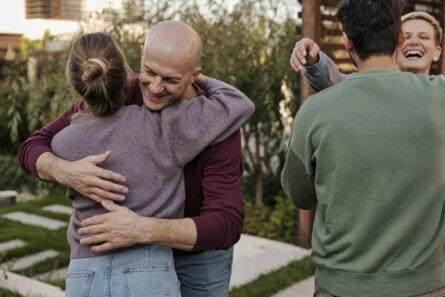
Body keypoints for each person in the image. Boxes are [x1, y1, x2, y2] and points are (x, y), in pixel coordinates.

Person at [18, 21, 250, 297]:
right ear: (142, 54)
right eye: (149, 72)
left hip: (198, 254)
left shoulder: (219, 121)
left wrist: (144, 228)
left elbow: (226, 223)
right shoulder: (116, 89)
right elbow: (32, 146)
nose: (153, 87)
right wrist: (65, 170)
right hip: (127, 254)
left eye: (171, 79)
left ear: (193, 75)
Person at [281, 0, 445, 296]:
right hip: (424, 287)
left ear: (346, 42)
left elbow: (299, 195)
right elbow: (336, 79)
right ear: (398, 40)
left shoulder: (315, 111)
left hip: (341, 287)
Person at [290, 11, 443, 92]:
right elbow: (334, 81)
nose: (414, 42)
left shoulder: (441, 90)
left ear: (436, 52)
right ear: (397, 43)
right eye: (407, 37)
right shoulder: (374, 84)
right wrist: (313, 60)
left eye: (423, 37)